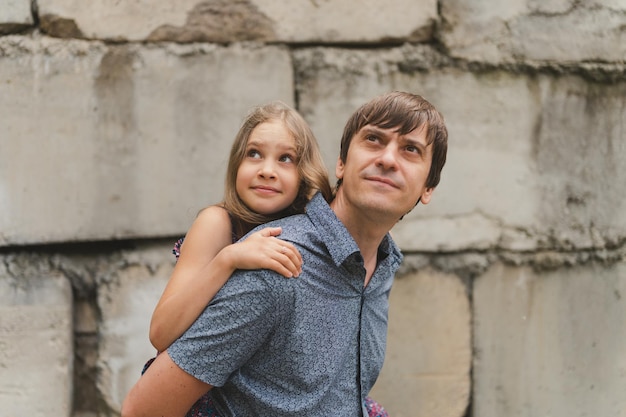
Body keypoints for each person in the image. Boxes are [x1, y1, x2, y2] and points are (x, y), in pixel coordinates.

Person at [122, 91, 448, 417]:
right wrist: (227, 259)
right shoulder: (276, 263)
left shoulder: (380, 263)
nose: (388, 159)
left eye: (410, 149)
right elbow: (142, 409)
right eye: (374, 140)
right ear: (342, 164)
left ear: (428, 188)